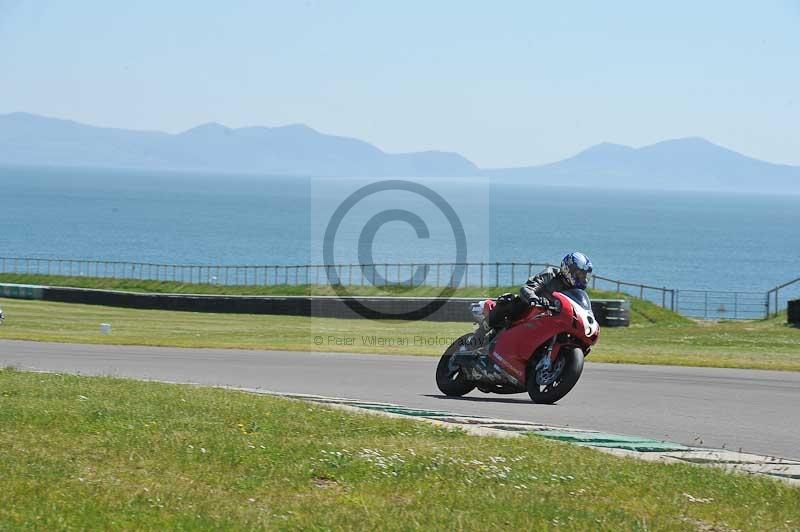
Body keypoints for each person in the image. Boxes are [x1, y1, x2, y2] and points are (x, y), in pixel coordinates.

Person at [474, 252, 594, 353]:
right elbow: (528, 287)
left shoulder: (575, 292)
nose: (583, 279)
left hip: (550, 319)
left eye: (585, 276)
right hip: (531, 310)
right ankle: (480, 334)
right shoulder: (551, 274)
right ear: (569, 269)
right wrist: (534, 298)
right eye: (580, 274)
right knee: (508, 301)